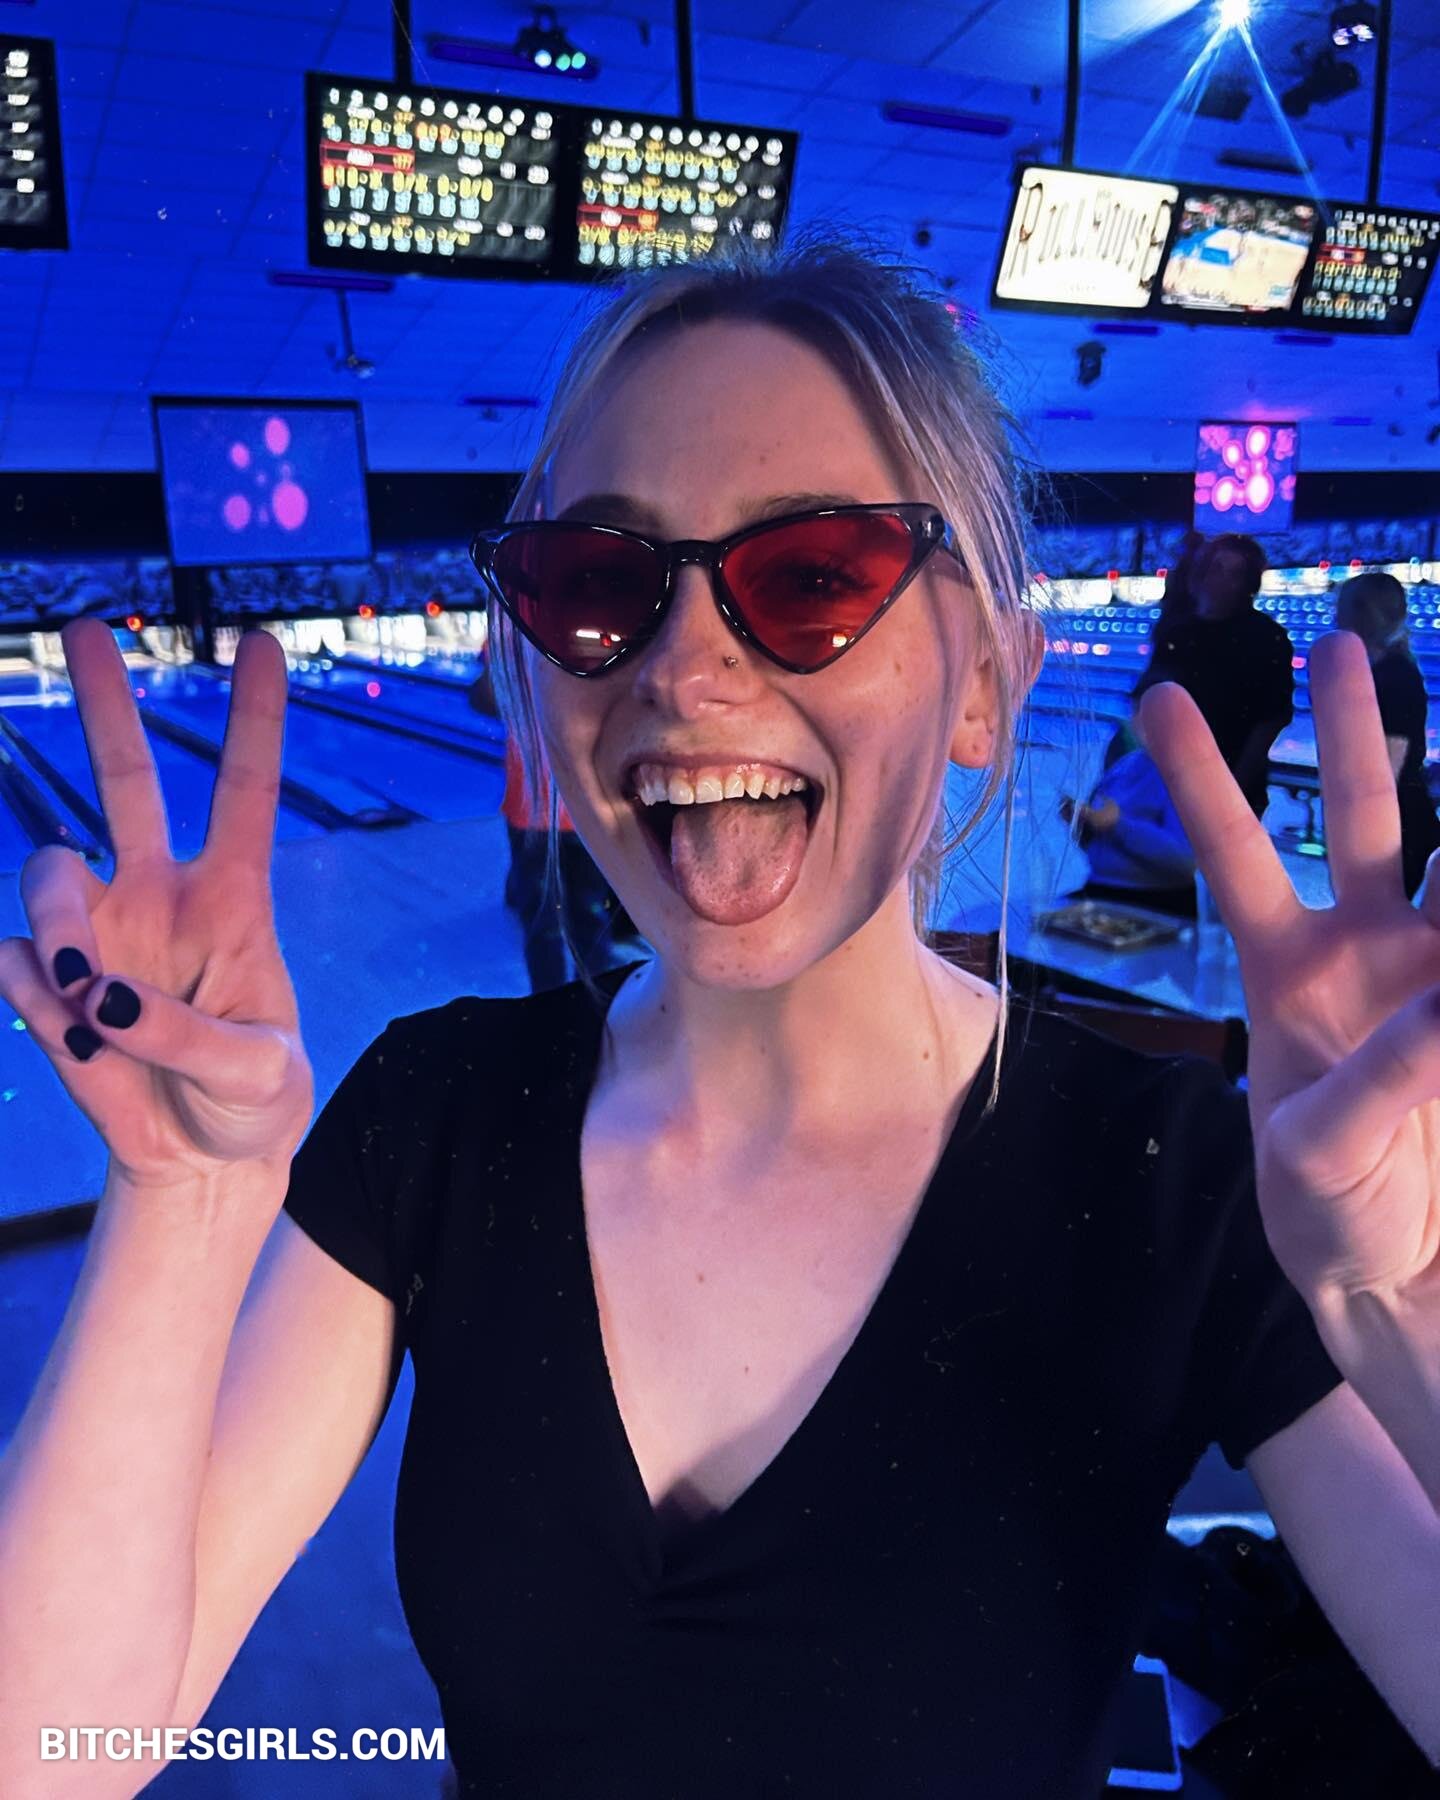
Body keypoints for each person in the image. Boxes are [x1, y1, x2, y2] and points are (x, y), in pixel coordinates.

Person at [3, 232, 1440, 1798]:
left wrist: (1406, 1315)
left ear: (982, 682)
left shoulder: (1178, 1182)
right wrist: (178, 1201)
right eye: (596, 583)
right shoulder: (438, 1117)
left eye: (813, 575)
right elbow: (56, 1752)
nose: (683, 671)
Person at [468, 657, 642, 989]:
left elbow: (486, 699)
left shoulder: (510, 631)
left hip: (536, 811)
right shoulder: (594, 635)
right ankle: (591, 1007)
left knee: (544, 923)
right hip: (581, 808)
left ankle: (556, 1008)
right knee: (589, 918)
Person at [1133, 532, 1295, 821]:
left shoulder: (1267, 638)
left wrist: (1234, 786)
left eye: (1235, 574)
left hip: (1235, 778)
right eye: (1217, 568)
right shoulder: (1178, 633)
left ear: (1249, 583)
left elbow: (1271, 720)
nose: (1221, 580)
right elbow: (1147, 698)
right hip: (1172, 781)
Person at [1334, 570, 1440, 901]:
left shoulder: (1393, 676)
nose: (1334, 618)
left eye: (1340, 608)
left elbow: (1388, 766)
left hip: (1397, 825)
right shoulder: (1385, 670)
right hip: (1398, 819)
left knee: (1377, 917)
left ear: (1362, 614)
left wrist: (1361, 831)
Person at [1060, 745, 1197, 917]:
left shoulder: (1187, 771)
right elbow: (1100, 840)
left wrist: (1118, 825)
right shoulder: (1127, 762)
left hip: (1155, 902)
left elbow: (1187, 862)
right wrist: (1081, 823)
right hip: (1100, 891)